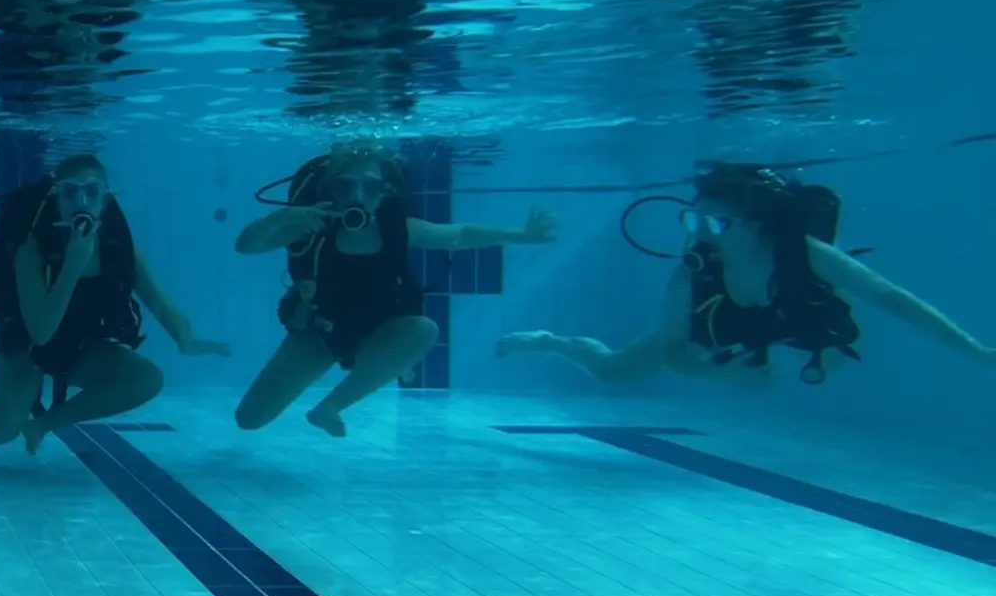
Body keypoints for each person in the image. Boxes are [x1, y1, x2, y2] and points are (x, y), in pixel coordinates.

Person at [498, 161, 995, 384]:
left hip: (792, 317)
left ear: (755, 224)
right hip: (723, 326)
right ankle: (551, 341)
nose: (700, 234)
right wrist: (722, 376)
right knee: (614, 372)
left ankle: (819, 359)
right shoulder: (693, 273)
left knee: (834, 340)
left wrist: (975, 351)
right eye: (691, 220)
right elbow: (673, 348)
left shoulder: (803, 253)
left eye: (714, 222)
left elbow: (894, 300)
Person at [233, 140, 557, 436]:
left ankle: (329, 407)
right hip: (320, 332)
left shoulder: (400, 229)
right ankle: (394, 368)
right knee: (249, 419)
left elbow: (462, 234)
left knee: (423, 329)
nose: (357, 197)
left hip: (380, 334)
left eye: (370, 187)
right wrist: (283, 218)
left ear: (385, 191)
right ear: (332, 190)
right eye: (347, 186)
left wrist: (522, 235)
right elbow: (245, 246)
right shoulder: (310, 228)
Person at [0, 154, 229, 453]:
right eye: (70, 193)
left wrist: (184, 337)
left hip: (81, 347)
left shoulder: (118, 249)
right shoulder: (32, 253)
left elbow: (160, 304)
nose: (81, 202)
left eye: (91, 192)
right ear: (56, 201)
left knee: (148, 379)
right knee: (1, 430)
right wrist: (72, 268)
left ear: (104, 200)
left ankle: (43, 425)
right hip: (27, 348)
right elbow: (41, 334)